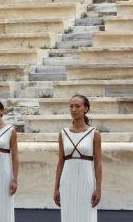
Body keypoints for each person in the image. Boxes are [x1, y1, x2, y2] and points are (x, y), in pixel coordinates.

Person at [54, 94, 102, 222]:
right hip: (67, 182)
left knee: (86, 216)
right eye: (71, 106)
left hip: (87, 182)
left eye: (77, 106)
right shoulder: (63, 133)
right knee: (68, 215)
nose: (73, 109)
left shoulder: (94, 133)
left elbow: (98, 163)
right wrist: (56, 188)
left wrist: (98, 189)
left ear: (86, 109)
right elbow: (60, 162)